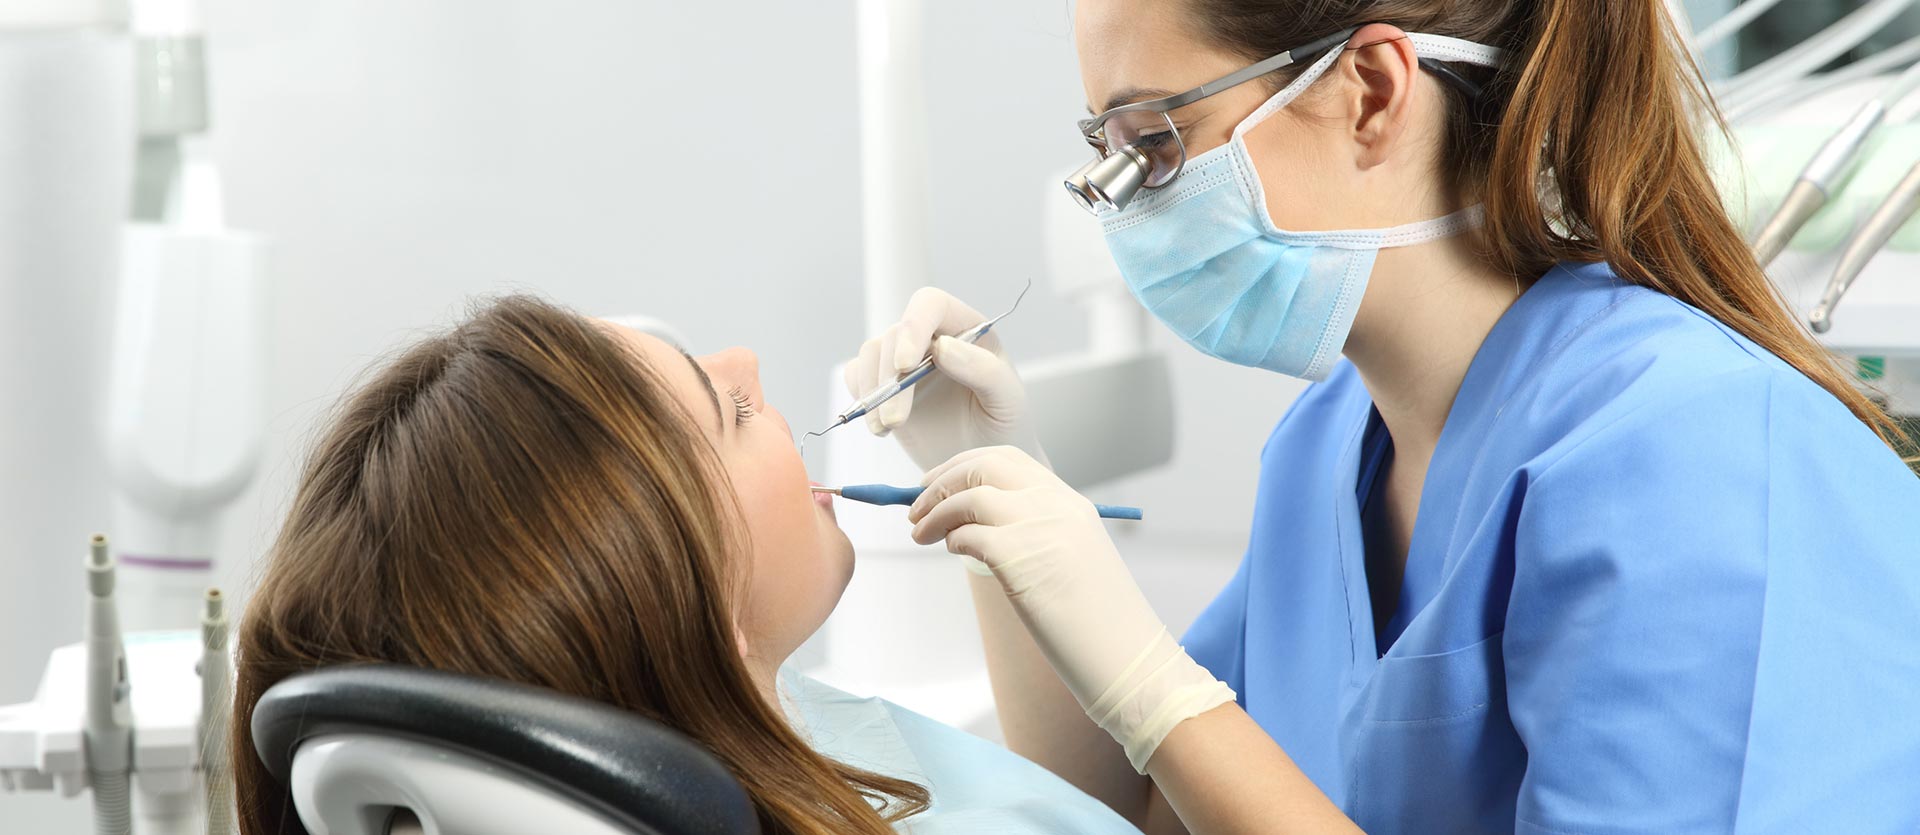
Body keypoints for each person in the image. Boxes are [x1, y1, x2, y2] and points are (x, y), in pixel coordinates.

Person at [851, 1, 1920, 832]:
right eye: (1112, 151)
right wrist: (992, 487)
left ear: (1370, 90)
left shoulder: (1694, 453)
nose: (1124, 205)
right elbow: (1127, 810)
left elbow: (1171, 728)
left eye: (1159, 144)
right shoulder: (1325, 452)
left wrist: (1157, 686)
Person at [230, 296, 1138, 835]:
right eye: (733, 409)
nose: (747, 359)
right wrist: (1161, 693)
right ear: (700, 613)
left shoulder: (730, 725)